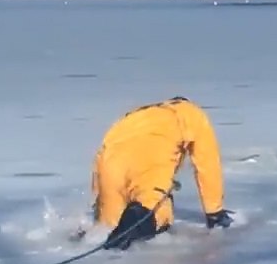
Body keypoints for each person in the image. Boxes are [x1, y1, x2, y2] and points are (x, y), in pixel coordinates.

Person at [91, 96, 235, 249]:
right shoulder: (193, 115)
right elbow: (207, 162)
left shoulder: (137, 114)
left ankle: (100, 241)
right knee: (155, 211)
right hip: (150, 157)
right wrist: (214, 212)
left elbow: (101, 154)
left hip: (110, 160)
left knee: (107, 226)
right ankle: (132, 223)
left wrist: (99, 200)